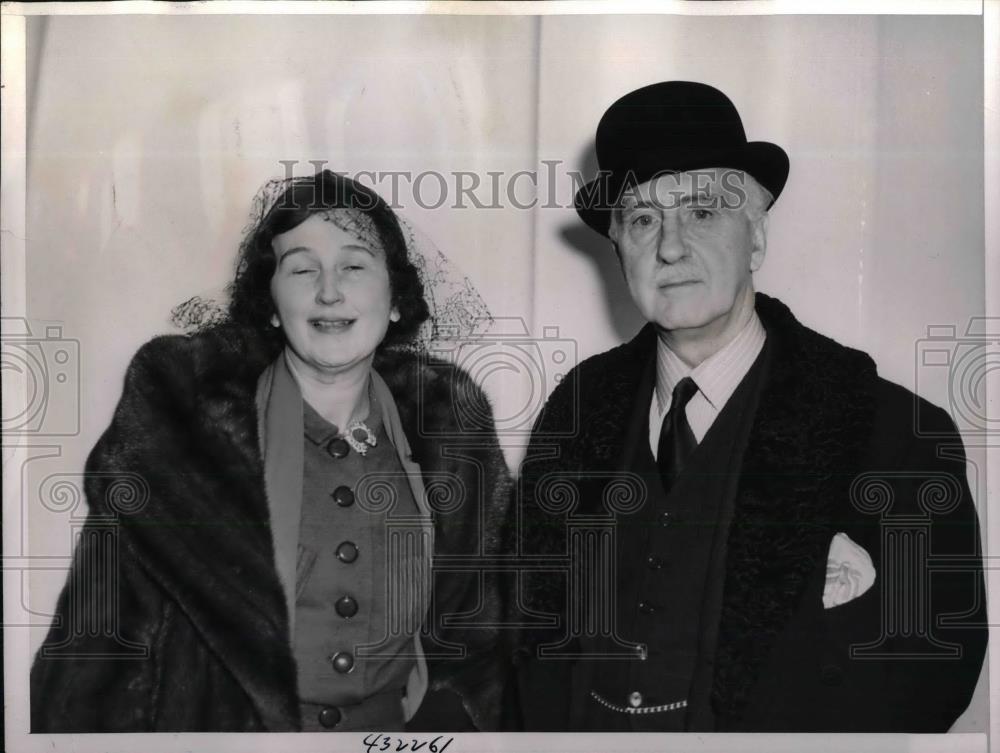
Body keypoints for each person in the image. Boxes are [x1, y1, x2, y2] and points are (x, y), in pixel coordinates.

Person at [511, 81, 987, 732]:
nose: (670, 247)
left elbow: (932, 671)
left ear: (756, 235)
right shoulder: (574, 418)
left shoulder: (895, 433)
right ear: (618, 247)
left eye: (702, 211)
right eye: (643, 218)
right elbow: (525, 640)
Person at [31, 170, 511, 732]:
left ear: (398, 300)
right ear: (271, 305)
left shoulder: (450, 431)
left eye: (354, 266)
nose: (329, 290)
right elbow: (99, 651)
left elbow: (487, 637)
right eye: (302, 268)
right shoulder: (185, 435)